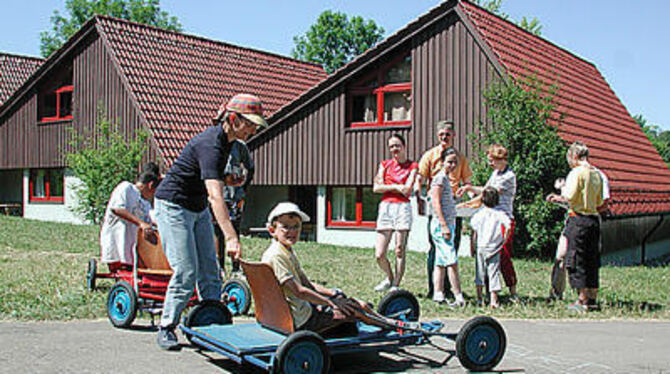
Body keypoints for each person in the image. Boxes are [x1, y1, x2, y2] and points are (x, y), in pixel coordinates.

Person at [153, 93, 267, 350]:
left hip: (197, 206)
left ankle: (213, 322)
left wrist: (228, 181)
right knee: (186, 271)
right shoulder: (210, 143)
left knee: (210, 269)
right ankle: (166, 327)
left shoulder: (229, 142)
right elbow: (216, 197)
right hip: (173, 206)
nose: (254, 128)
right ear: (234, 119)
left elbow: (208, 177)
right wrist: (231, 236)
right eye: (250, 123)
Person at [262, 202, 367, 333]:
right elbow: (299, 291)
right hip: (302, 319)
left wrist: (331, 294)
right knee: (356, 310)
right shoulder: (277, 256)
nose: (292, 231)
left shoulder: (283, 251)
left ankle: (380, 320)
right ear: (272, 230)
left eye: (296, 227)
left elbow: (305, 283)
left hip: (298, 311)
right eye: (286, 227)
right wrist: (332, 303)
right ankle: (389, 324)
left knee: (341, 297)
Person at [416, 120, 472, 299]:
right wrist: (419, 198)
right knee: (436, 249)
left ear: (453, 135)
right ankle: (435, 289)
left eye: (447, 134)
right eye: (441, 135)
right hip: (437, 207)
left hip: (454, 206)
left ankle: (445, 289)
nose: (444, 138)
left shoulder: (460, 157)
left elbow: (467, 181)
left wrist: (470, 197)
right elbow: (421, 178)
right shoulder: (430, 156)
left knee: (451, 249)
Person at [548, 141, 610, 301]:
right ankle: (592, 297)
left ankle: (581, 299)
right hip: (593, 220)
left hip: (578, 219)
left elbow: (570, 196)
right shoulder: (597, 174)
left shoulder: (576, 173)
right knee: (592, 260)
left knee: (576, 259)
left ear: (574, 156)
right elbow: (599, 202)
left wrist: (559, 192)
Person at [458, 144, 519, 300]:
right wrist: (469, 188)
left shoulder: (508, 176)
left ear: (501, 159)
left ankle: (512, 290)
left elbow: (489, 193)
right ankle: (488, 291)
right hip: (489, 218)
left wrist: (469, 203)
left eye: (492, 160)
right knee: (485, 257)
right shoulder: (496, 173)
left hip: (502, 219)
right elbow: (485, 188)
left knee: (503, 255)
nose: (490, 163)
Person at [372, 134, 418, 292]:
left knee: (399, 248)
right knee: (380, 253)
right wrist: (397, 187)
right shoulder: (384, 165)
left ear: (404, 146)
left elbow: (408, 190)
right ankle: (389, 277)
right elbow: (376, 188)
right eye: (391, 146)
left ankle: (396, 285)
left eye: (397, 145)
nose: (394, 149)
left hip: (402, 208)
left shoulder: (413, 166)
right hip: (386, 207)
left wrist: (389, 186)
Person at [100, 163, 161, 271]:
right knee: (119, 264)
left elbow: (149, 220)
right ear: (150, 185)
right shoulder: (126, 188)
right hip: (117, 236)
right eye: (153, 192)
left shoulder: (144, 203)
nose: (153, 196)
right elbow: (117, 209)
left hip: (131, 244)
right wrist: (141, 223)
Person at [429, 148, 465, 306]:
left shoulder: (445, 179)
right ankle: (458, 296)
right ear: (442, 161)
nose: (452, 165)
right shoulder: (440, 178)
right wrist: (444, 225)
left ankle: (438, 293)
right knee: (451, 261)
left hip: (446, 223)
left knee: (440, 262)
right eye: (450, 161)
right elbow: (435, 202)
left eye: (455, 162)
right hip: (441, 225)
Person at [214, 139, 255, 275]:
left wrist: (244, 187)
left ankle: (236, 266)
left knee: (235, 230)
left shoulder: (240, 146)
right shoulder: (215, 144)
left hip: (235, 196)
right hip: (218, 194)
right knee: (218, 231)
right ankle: (219, 266)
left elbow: (250, 167)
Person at [469, 187, 511, 309]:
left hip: (481, 247)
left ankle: (479, 298)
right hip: (495, 247)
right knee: (494, 273)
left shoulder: (478, 215)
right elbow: (508, 226)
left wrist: (472, 246)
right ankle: (494, 300)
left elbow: (474, 232)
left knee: (480, 273)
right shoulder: (500, 215)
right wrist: (504, 239)